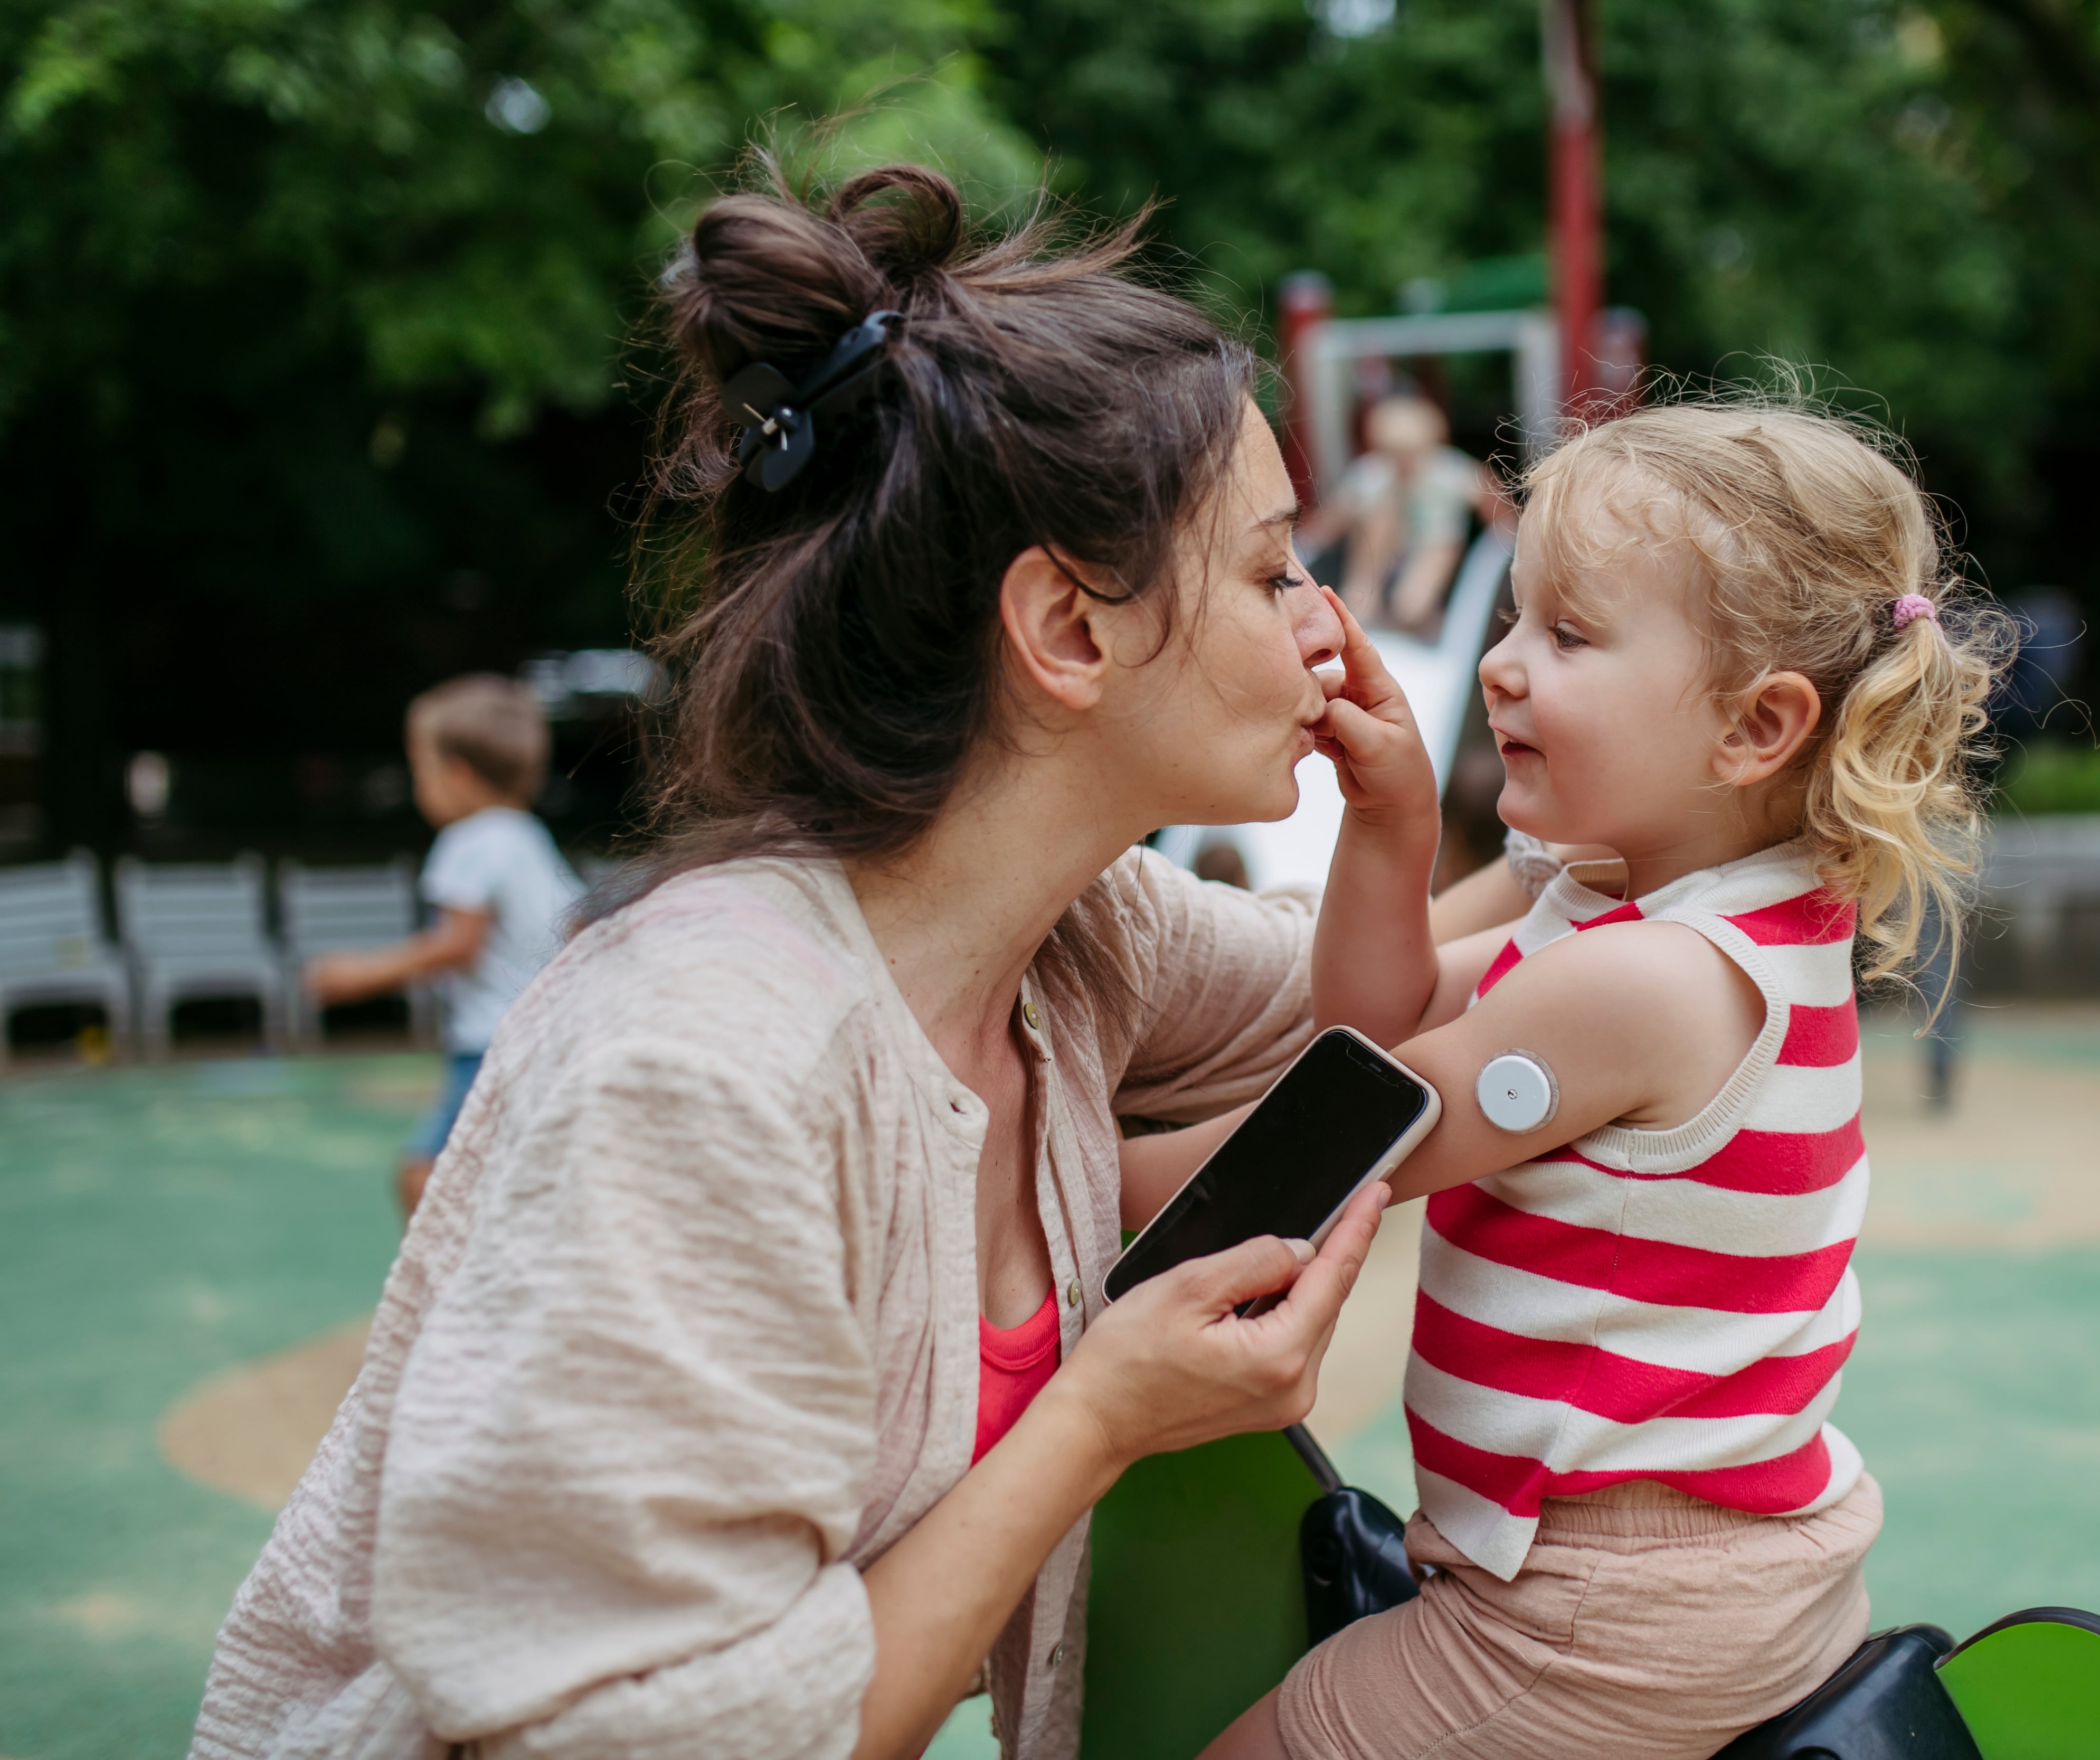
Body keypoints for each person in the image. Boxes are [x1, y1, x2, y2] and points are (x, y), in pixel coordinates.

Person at [190, 164, 1445, 1760]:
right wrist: (1100, 1416)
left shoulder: (1067, 941)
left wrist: (1591, 821)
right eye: (1271, 571)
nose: (1324, 626)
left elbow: (1398, 999)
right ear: (1066, 629)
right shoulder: (702, 1064)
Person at [1152, 400, 2012, 1759]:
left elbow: (1326, 1151)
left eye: (1566, 635)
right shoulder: (1655, 893)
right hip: (1698, 1567)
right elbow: (1374, 1028)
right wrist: (1388, 829)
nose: (1500, 667)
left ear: (1755, 726)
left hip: (1595, 1613)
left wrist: (1025, 1170)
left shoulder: (1655, 980)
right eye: (1511, 621)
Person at [305, 674, 584, 1216]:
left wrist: (361, 973)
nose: (420, 787)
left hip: (487, 1044)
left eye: (421, 771)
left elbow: (459, 943)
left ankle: (438, 1296)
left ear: (457, 775)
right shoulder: (529, 838)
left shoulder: (468, 842)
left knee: (422, 1174)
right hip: (545, 1036)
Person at [1296, 395, 1510, 637]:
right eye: (1394, 454)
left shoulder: (1449, 470)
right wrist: (1302, 548)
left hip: (1434, 546)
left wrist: (1503, 546)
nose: (1402, 464)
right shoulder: (1372, 473)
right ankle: (1364, 598)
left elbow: (1497, 505)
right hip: (1384, 550)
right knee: (1379, 518)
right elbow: (1332, 521)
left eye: (1411, 454)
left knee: (1417, 590)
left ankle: (1413, 606)